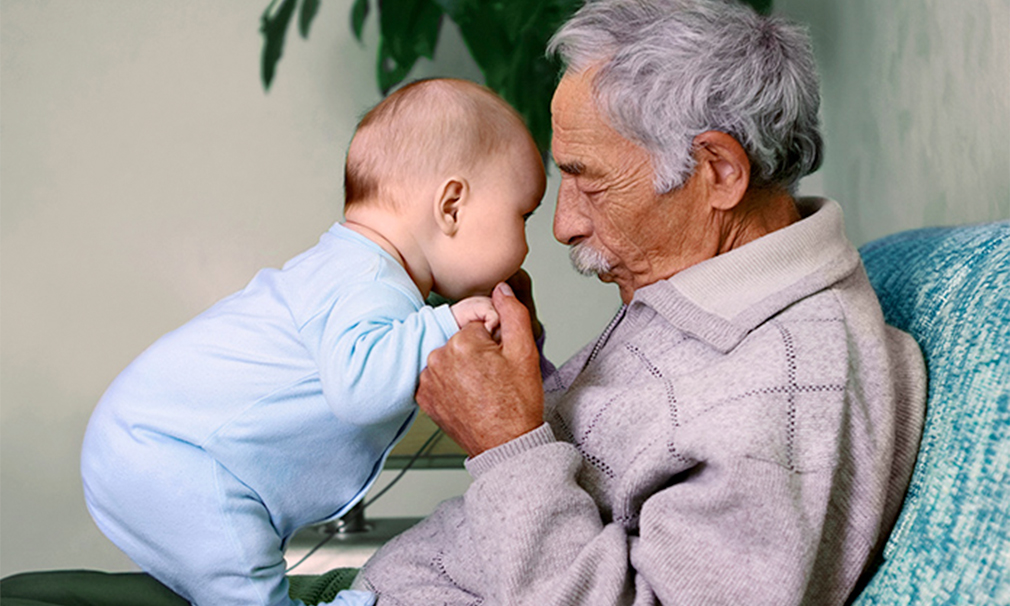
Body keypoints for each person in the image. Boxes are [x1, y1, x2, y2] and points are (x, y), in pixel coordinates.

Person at [348, 1, 927, 604]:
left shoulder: (787, 381)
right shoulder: (711, 290)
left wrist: (505, 442)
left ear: (720, 170)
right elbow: (608, 464)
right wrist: (526, 382)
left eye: (589, 182)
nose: (563, 225)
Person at [76, 78, 546, 606]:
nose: (531, 241)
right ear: (453, 206)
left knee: (235, 569)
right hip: (171, 456)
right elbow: (360, 389)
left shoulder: (358, 272)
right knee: (244, 580)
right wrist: (446, 324)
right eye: (523, 215)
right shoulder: (367, 280)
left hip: (152, 446)